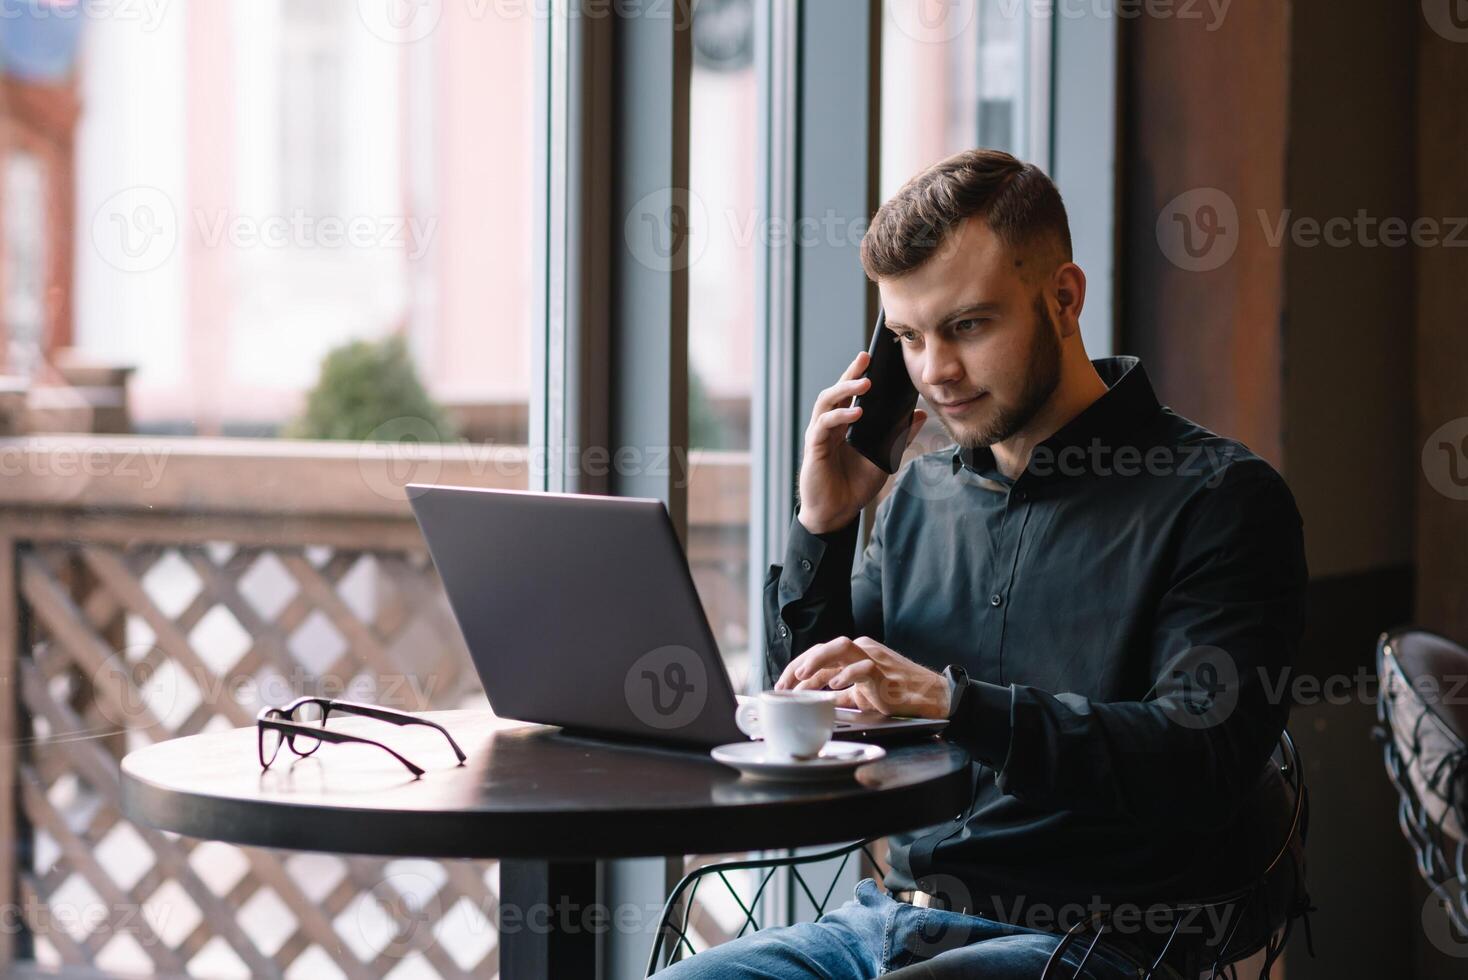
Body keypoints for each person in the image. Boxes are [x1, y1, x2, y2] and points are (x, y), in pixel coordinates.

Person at [656, 148, 1308, 978]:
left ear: (1064, 298)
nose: (935, 373)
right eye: (907, 338)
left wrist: (958, 704)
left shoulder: (1220, 500)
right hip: (892, 926)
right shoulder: (917, 500)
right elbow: (810, 709)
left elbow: (1199, 761)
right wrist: (822, 526)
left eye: (966, 326)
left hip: (1094, 942)